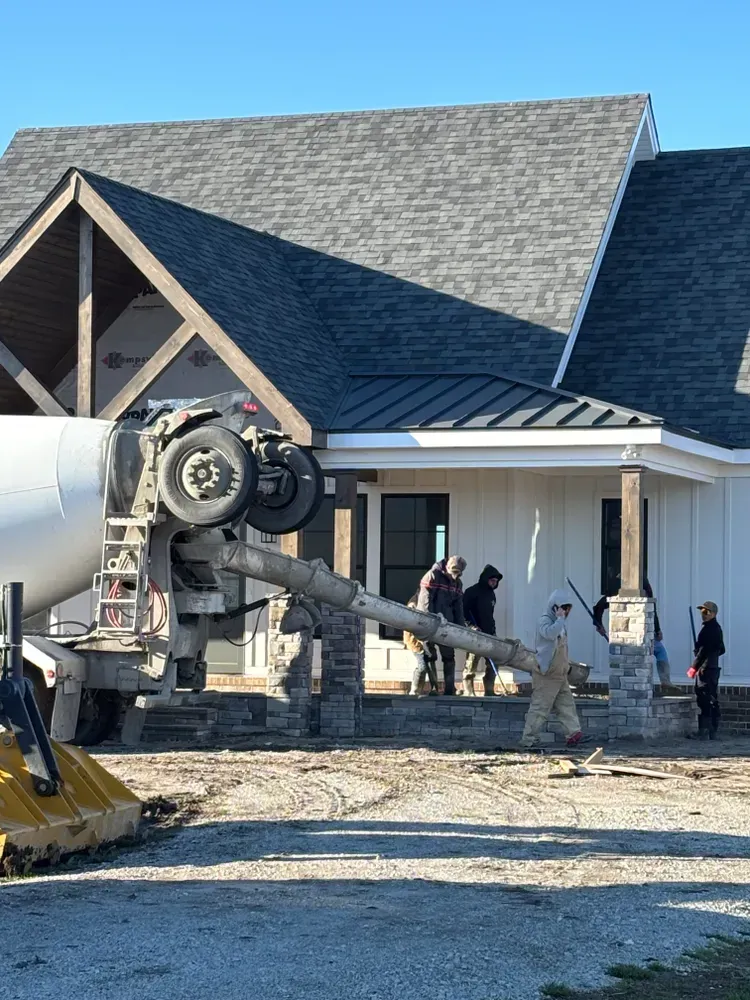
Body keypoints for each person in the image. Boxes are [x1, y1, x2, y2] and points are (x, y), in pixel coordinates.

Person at [521, 588, 590, 748]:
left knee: (566, 705)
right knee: (540, 707)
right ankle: (528, 739)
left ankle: (573, 734)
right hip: (547, 673)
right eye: (563, 608)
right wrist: (559, 620)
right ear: (554, 606)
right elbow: (549, 634)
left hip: (560, 673)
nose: (565, 612)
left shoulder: (561, 623)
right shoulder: (545, 620)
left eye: (567, 608)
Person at [593, 576, 680, 694]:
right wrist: (599, 625)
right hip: (635, 634)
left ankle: (664, 682)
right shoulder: (625, 592)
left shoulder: (630, 591)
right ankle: (664, 681)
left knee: (659, 652)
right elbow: (599, 607)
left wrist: (658, 629)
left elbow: (652, 610)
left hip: (634, 634)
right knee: (658, 652)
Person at [417, 555, 466, 696]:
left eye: (458, 574)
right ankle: (433, 688)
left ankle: (449, 690)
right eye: (453, 573)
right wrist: (429, 620)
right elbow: (425, 600)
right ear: (447, 568)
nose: (455, 577)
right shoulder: (433, 575)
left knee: (449, 656)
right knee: (429, 655)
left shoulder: (458, 584)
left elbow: (458, 607)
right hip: (429, 623)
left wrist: (460, 627)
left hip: (447, 625)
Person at [462, 564, 503, 696]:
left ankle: (489, 690)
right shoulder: (471, 592)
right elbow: (463, 612)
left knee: (494, 662)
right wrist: (471, 626)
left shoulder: (491, 595)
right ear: (486, 578)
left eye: (496, 581)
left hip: (489, 634)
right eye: (492, 580)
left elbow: (489, 615)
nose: (494, 583)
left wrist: (493, 630)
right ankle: (468, 691)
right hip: (475, 634)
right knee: (471, 663)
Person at [690, 601, 725, 741]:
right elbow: (721, 649)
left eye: (706, 612)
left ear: (713, 613)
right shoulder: (717, 628)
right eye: (702, 612)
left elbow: (704, 651)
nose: (703, 615)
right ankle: (712, 730)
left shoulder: (708, 630)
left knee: (704, 698)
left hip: (705, 669)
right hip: (713, 668)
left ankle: (704, 731)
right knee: (711, 698)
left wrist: (694, 666)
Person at [404, 592, 439, 696]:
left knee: (431, 662)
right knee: (422, 665)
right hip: (414, 640)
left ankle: (434, 688)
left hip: (427, 639)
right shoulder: (414, 602)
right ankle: (415, 689)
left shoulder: (430, 601)